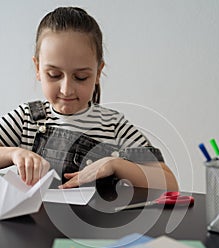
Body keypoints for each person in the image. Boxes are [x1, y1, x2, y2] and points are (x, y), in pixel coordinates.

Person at [0, 7, 178, 191]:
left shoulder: (113, 126)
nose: (66, 89)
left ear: (98, 72)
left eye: (81, 77)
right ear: (37, 68)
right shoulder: (27, 118)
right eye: (54, 75)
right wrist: (13, 153)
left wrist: (115, 165)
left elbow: (169, 183)